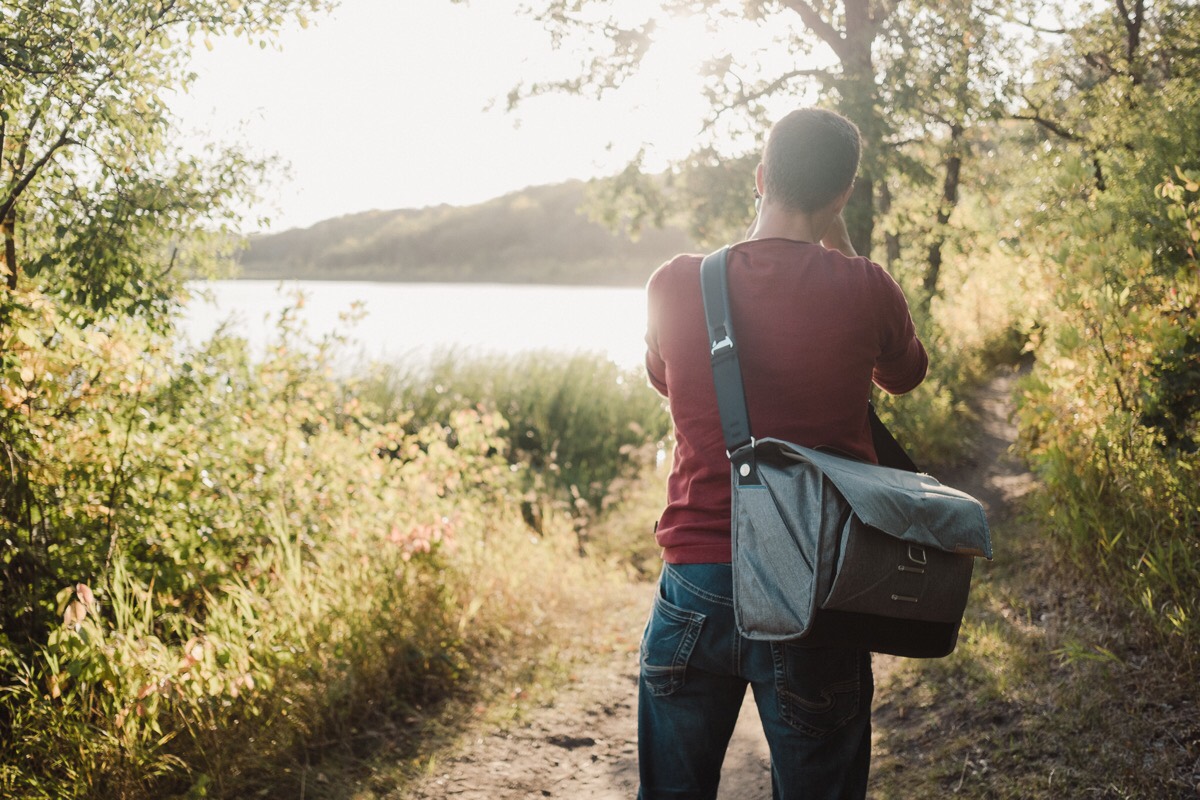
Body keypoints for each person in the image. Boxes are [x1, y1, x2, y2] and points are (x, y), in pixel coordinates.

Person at [638, 107, 929, 799]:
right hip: (817, 589)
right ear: (843, 196)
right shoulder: (866, 286)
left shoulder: (675, 283)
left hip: (696, 587)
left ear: (760, 177)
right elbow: (907, 375)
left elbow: (665, 383)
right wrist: (842, 243)